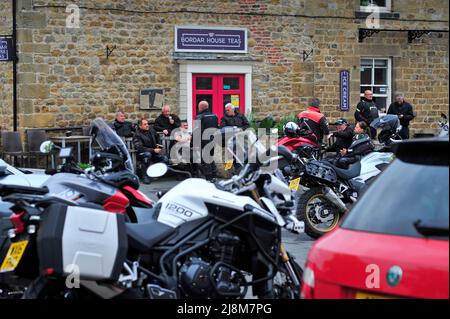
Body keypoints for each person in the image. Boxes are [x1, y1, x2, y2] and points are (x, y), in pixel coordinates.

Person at [133, 119, 168, 184]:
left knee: (164, 159)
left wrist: (159, 146)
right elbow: (139, 148)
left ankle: (153, 173)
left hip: (154, 153)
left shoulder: (151, 131)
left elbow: (158, 138)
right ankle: (145, 176)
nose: (147, 125)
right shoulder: (137, 135)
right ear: (140, 126)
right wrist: (153, 150)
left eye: (147, 124)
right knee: (147, 155)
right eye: (145, 124)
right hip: (142, 154)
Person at [194, 100, 219, 181]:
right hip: (213, 139)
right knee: (211, 157)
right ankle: (214, 175)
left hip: (204, 140)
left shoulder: (199, 117)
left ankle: (209, 178)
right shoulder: (215, 115)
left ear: (200, 107)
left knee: (205, 159)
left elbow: (196, 131)